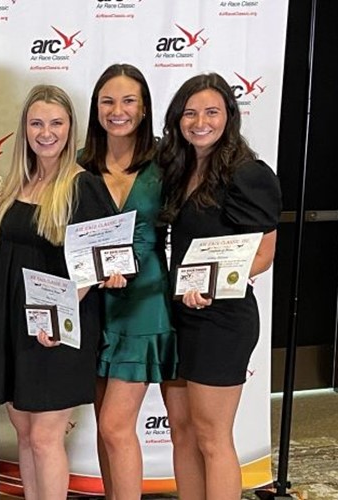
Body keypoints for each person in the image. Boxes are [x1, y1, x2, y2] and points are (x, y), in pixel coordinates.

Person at [0, 84, 113, 498]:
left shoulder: (83, 186)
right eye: (37, 123)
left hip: (57, 330)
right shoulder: (14, 183)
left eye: (56, 123)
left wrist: (57, 318)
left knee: (44, 438)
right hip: (12, 324)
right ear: (24, 129)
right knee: (24, 433)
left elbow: (98, 266)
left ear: (70, 128)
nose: (46, 132)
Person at [158, 73, 281, 500]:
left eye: (211, 111)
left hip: (222, 320)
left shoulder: (248, 173)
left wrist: (215, 286)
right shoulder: (178, 168)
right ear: (177, 119)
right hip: (176, 315)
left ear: (229, 115)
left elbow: (264, 254)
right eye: (190, 113)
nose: (200, 122)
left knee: (212, 437)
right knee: (182, 433)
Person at [79, 63, 178, 499]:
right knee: (105, 427)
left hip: (144, 300)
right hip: (92, 302)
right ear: (96, 108)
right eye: (107, 100)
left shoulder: (168, 160)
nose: (117, 110)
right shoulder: (80, 165)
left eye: (128, 100)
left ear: (144, 108)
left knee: (117, 425)